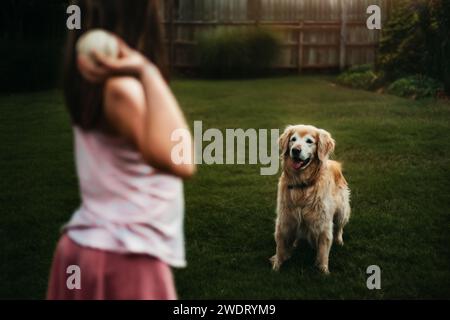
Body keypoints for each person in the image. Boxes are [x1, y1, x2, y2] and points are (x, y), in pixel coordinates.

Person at [47, 0, 195, 300]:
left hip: (91, 247)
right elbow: (182, 160)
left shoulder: (95, 86)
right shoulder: (121, 91)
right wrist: (147, 71)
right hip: (124, 257)